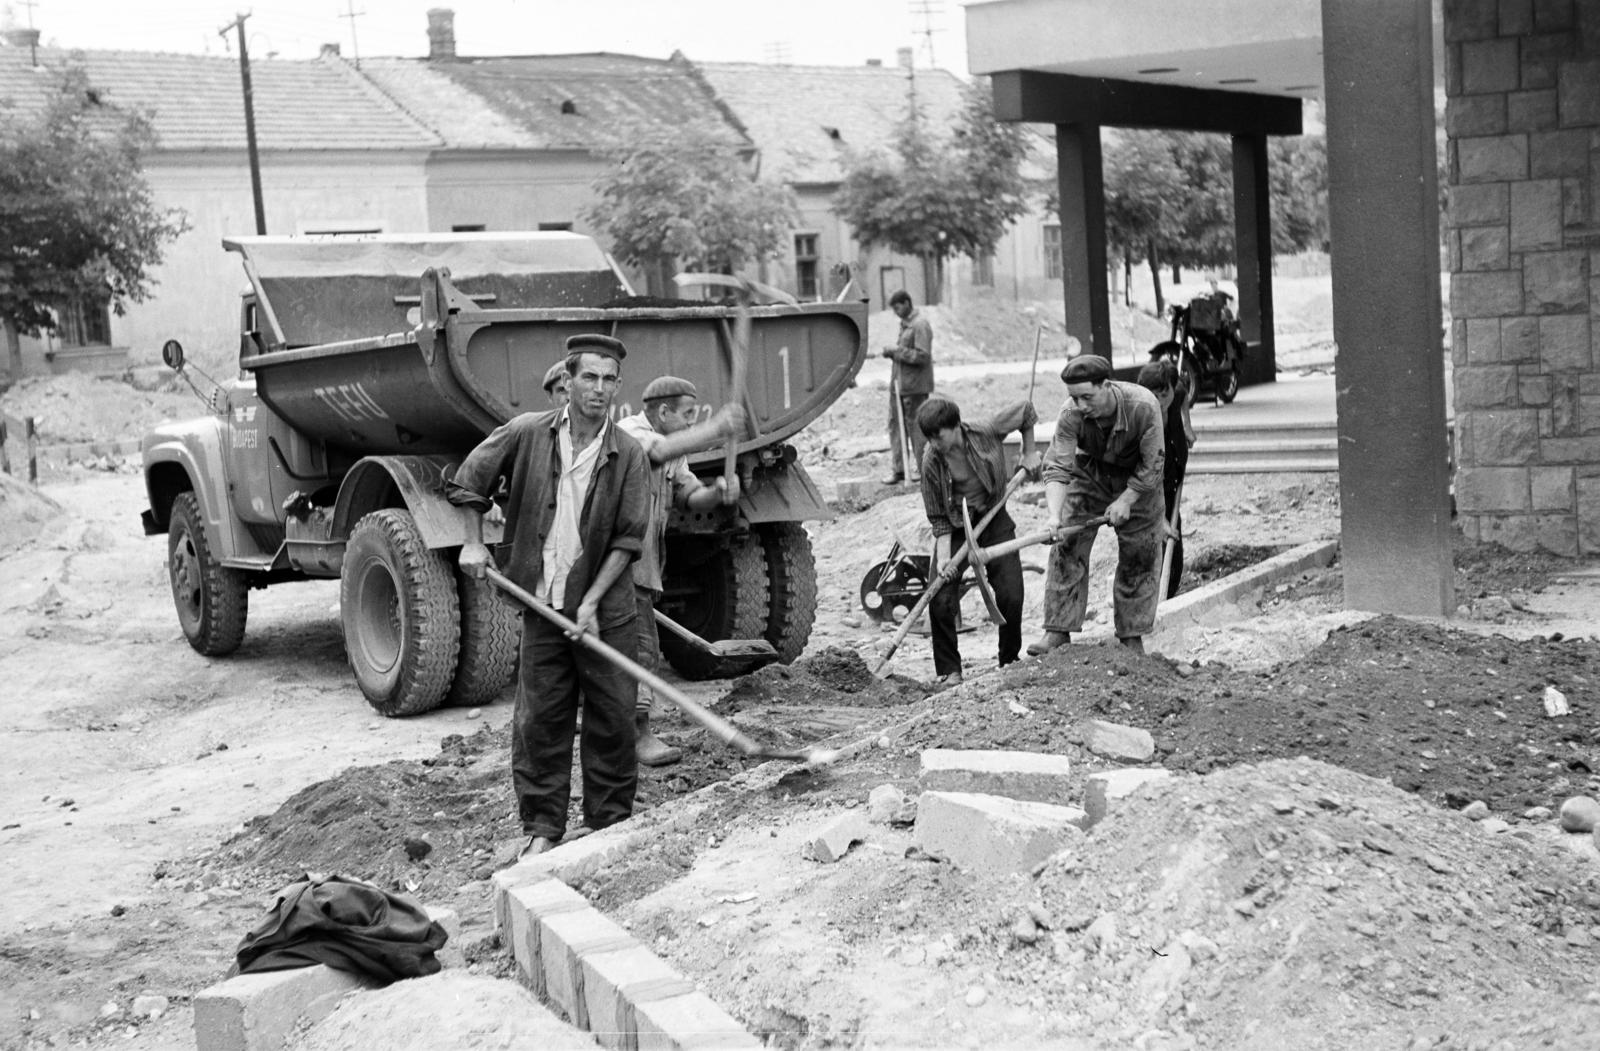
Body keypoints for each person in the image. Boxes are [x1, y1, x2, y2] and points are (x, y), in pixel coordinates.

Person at [448, 334, 649, 858]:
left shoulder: (627, 453)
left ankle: (608, 826)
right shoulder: (527, 434)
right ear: (567, 380)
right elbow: (470, 480)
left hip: (605, 612)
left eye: (609, 380)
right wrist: (473, 543)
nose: (599, 389)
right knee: (540, 720)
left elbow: (629, 540)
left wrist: (590, 602)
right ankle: (543, 828)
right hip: (541, 607)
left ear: (618, 386)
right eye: (589, 377)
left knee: (612, 718)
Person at [616, 377, 745, 766]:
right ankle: (636, 735)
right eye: (688, 415)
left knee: (625, 649)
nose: (691, 422)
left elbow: (688, 495)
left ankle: (609, 726)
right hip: (616, 565)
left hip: (644, 564)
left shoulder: (673, 449)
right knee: (641, 650)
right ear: (663, 412)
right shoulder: (630, 434)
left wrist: (719, 493)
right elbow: (654, 452)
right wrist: (717, 429)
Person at [1028, 354, 1165, 657]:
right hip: (1092, 473)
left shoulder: (1143, 406)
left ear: (1107, 385)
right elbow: (1058, 468)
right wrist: (1054, 516)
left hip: (1140, 480)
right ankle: (1058, 631)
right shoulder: (1070, 414)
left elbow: (1153, 464)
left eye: (1087, 397)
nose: (1081, 406)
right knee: (1066, 542)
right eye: (1074, 398)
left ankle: (1132, 636)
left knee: (1140, 552)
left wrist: (1126, 500)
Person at [917, 397, 1041, 685]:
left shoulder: (986, 431)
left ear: (955, 426)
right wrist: (945, 558)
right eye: (930, 438)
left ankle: (1009, 660)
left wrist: (1030, 451)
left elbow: (1025, 411)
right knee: (940, 595)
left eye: (939, 436)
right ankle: (949, 670)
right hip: (957, 525)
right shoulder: (931, 460)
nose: (935, 443)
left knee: (1011, 593)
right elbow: (938, 518)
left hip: (993, 516)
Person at [1137, 358, 1194, 599]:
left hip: (1174, 467)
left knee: (1174, 539)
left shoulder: (1177, 392)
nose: (1160, 401)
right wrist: (1158, 517)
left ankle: (1169, 594)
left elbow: (1182, 396)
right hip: (1149, 483)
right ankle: (1150, 597)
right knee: (1154, 538)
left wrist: (1188, 427)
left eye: (1164, 393)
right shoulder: (1140, 416)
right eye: (1154, 395)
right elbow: (1144, 472)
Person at [880, 290, 934, 485]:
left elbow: (922, 356)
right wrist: (894, 354)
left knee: (916, 428)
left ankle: (924, 471)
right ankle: (899, 470)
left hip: (914, 388)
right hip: (899, 386)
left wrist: (897, 351)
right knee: (896, 426)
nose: (896, 312)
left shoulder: (920, 325)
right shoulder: (906, 325)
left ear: (907, 303)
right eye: (894, 309)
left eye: (898, 307)